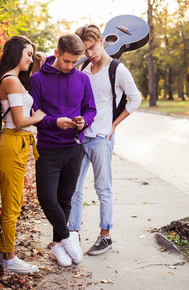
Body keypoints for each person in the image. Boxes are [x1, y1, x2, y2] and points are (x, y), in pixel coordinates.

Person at [68, 24, 142, 256]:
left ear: (101, 40)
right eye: (85, 51)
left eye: (91, 48)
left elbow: (136, 99)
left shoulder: (117, 70)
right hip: (80, 137)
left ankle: (105, 236)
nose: (89, 54)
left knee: (103, 189)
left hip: (101, 138)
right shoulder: (84, 67)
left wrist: (114, 124)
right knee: (73, 189)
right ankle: (72, 234)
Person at [30, 34, 97, 267]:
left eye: (75, 62)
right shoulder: (37, 79)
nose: (70, 66)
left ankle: (56, 245)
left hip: (74, 148)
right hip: (48, 148)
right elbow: (34, 114)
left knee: (65, 198)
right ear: (57, 53)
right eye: (67, 61)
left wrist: (83, 122)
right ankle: (68, 237)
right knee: (47, 199)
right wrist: (54, 122)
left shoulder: (82, 79)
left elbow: (90, 109)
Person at [0, 35, 47, 274]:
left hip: (16, 143)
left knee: (12, 200)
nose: (30, 58)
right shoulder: (11, 81)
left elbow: (21, 103)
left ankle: (1, 254)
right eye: (28, 54)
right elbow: (21, 120)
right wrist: (40, 116)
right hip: (13, 142)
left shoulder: (12, 79)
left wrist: (36, 68)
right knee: (12, 204)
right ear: (16, 54)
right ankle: (9, 259)